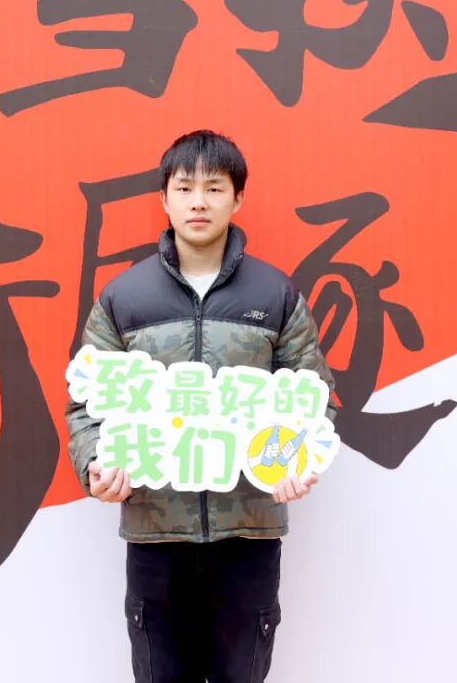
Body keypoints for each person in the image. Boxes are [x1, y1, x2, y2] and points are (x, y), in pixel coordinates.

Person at [67, 130, 337, 683]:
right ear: (163, 199)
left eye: (214, 188)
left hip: (248, 533)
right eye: (184, 187)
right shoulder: (123, 299)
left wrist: (295, 459)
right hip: (155, 532)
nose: (198, 202)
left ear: (237, 199)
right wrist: (95, 462)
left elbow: (313, 397)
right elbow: (86, 404)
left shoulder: (275, 295)